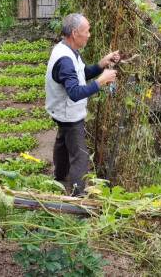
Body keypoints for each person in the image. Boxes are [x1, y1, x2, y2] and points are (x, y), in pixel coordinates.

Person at [45, 13, 119, 196]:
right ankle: (79, 196)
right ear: (75, 33)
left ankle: (60, 177)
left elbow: (81, 74)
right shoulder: (65, 60)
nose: (89, 34)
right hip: (68, 113)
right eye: (87, 31)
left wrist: (101, 65)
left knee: (63, 142)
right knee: (80, 156)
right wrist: (101, 82)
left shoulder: (66, 50)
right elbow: (75, 93)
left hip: (60, 111)